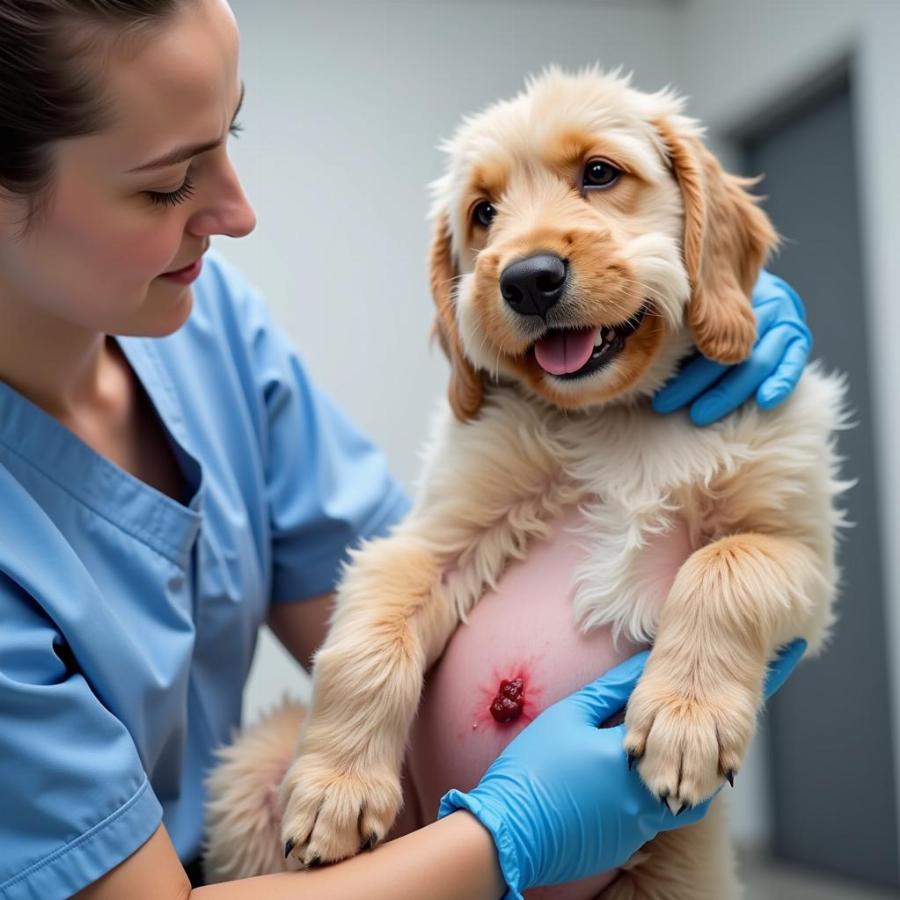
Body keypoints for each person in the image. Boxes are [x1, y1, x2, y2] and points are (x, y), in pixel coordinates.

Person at [0, 1, 813, 898]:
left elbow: (430, 611)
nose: (240, 212)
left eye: (231, 133)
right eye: (166, 183)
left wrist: (719, 292)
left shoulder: (211, 330)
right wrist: (512, 835)